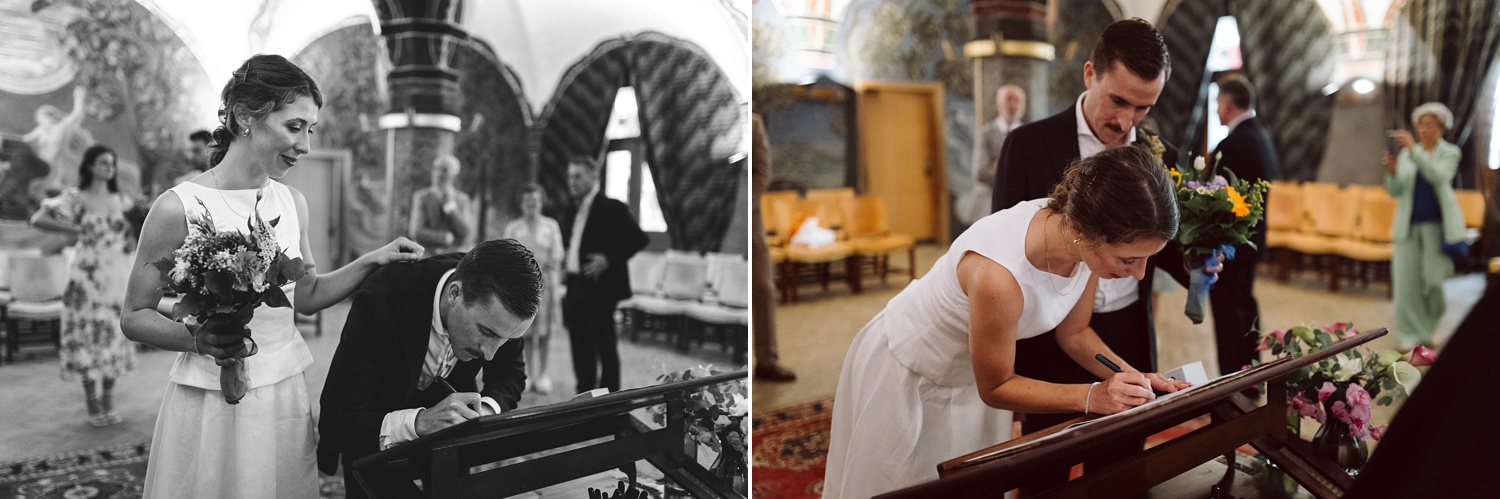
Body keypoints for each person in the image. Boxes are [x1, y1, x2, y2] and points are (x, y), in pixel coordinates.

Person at [121, 54, 424, 497]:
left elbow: (307, 294)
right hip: (209, 398)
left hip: (282, 388)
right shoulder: (177, 207)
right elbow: (134, 315)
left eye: (311, 130)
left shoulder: (292, 203)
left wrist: (374, 260)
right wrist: (198, 340)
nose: (305, 145)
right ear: (246, 116)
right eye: (294, 126)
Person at [823, 146, 1194, 499]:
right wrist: (1092, 396)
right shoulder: (1000, 276)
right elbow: (996, 386)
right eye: (1129, 260)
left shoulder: (1081, 240)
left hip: (973, 372)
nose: (1141, 274)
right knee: (903, 483)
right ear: (1088, 232)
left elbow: (1075, 333)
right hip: (908, 366)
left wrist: (1139, 379)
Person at [990, 18, 1198, 493]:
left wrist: (1199, 266)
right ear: (1090, 74)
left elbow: (1158, 248)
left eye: (1143, 108)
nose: (1127, 122)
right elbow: (1004, 246)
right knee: (1045, 470)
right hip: (1046, 332)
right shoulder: (1028, 145)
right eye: (1119, 101)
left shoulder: (1160, 155)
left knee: (1122, 465)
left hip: (1126, 325)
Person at [317, 239, 541, 499]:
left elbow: (509, 375)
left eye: (506, 341)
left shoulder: (504, 314)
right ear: (455, 294)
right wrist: (420, 422)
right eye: (486, 332)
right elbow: (336, 422)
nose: (490, 355)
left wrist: (484, 412)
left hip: (451, 445)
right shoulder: (381, 298)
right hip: (373, 440)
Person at [29, 144, 136, 428]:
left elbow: (127, 234)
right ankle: (92, 402)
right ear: (90, 166)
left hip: (117, 273)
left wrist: (129, 242)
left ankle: (109, 400)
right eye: (103, 163)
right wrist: (74, 230)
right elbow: (37, 218)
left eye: (112, 163)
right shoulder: (77, 197)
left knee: (114, 331)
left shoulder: (120, 199)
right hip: (86, 275)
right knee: (87, 332)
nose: (109, 168)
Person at [1207, 75, 1278, 377]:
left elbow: (1221, 198)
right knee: (1245, 307)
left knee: (1229, 315)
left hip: (1231, 245)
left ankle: (1232, 382)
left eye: (1217, 104)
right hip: (1250, 240)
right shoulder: (1261, 135)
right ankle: (1248, 374)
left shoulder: (1234, 143)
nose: (1217, 111)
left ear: (1226, 103)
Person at [1381, 102, 1466, 349]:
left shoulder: (1450, 152)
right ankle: (1408, 335)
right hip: (1407, 227)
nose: (1424, 129)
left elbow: (1438, 176)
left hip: (1436, 228)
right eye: (1421, 124)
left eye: (1430, 124)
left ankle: (1431, 326)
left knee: (1433, 281)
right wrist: (1392, 171)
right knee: (1406, 283)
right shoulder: (1407, 154)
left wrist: (1414, 152)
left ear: (1441, 128)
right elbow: (1395, 191)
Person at [561, 155, 648, 394]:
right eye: (569, 176)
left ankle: (610, 401)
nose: (572, 181)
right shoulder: (572, 209)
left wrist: (608, 259)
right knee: (579, 346)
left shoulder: (611, 207)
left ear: (593, 177)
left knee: (604, 345)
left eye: (578, 176)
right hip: (576, 284)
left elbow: (639, 238)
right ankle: (585, 395)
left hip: (601, 288)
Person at [504, 183, 566, 394]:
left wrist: (547, 264)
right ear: (521, 204)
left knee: (545, 331)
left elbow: (558, 255)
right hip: (524, 286)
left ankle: (544, 374)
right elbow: (508, 254)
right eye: (527, 201)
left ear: (541, 202)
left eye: (535, 201)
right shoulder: (513, 227)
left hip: (547, 286)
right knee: (527, 331)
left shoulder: (551, 226)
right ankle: (529, 373)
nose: (531, 204)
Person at [751, 114, 795, 381]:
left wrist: (749, 201)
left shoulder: (753, 123)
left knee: (763, 287)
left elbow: (763, 170)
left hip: (751, 217)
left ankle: (767, 361)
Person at [962, 84, 1026, 226]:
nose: (1013, 105)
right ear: (998, 104)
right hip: (987, 204)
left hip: (1018, 206)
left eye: (1017, 101)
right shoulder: (985, 134)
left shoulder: (1029, 134)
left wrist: (999, 164)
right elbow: (980, 172)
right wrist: (1015, 171)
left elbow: (1032, 171)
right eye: (1009, 99)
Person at [24, 86, 94, 200]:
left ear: (52, 116)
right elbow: (25, 140)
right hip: (44, 165)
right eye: (40, 119)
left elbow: (77, 114)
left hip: (56, 166)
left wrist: (79, 97)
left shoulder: (62, 127)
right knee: (35, 188)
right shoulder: (40, 131)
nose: (43, 121)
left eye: (45, 117)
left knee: (55, 187)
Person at [409, 154, 474, 255]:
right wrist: (444, 238)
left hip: (455, 257)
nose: (438, 174)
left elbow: (466, 233)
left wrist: (450, 208)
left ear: (454, 174)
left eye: (444, 170)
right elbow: (416, 232)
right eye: (435, 169)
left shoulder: (462, 200)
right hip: (429, 257)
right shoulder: (422, 197)